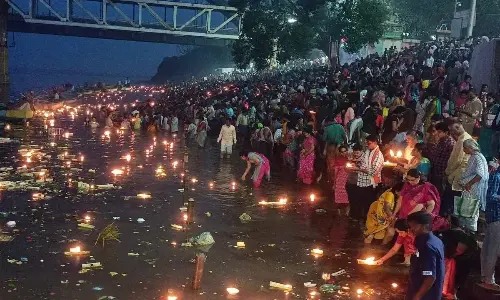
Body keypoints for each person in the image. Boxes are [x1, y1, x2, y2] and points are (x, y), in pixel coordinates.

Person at [406, 211, 445, 300]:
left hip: (426, 294)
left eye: (414, 226)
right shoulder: (435, 240)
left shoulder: (428, 247)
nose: (411, 229)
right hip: (419, 285)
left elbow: (430, 276)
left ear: (424, 226)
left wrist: (417, 296)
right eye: (410, 226)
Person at [347, 134, 384, 221]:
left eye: (369, 143)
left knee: (369, 204)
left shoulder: (378, 155)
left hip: (370, 183)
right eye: (366, 143)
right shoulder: (368, 151)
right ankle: (362, 219)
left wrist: (358, 169)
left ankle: (368, 222)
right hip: (362, 182)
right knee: (361, 201)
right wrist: (355, 165)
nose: (367, 145)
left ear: (375, 143)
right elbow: (363, 163)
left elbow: (373, 172)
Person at [458, 138, 488, 232]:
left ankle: (469, 232)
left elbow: (480, 174)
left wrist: (469, 184)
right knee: (468, 210)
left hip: (472, 189)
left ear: (471, 148)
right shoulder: (477, 156)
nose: (464, 150)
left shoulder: (477, 157)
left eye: (465, 148)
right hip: (471, 188)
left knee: (470, 211)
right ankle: (465, 230)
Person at [479, 160, 500, 291]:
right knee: (493, 248)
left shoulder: (495, 175)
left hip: (493, 216)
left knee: (487, 247)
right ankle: (488, 279)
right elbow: (490, 196)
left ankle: (484, 276)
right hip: (496, 216)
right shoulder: (496, 176)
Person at [443, 121, 471, 217]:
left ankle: (446, 223)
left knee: (449, 202)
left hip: (457, 175)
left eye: (452, 130)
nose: (451, 132)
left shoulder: (462, 140)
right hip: (460, 174)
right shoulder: (465, 137)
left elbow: (457, 160)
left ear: (458, 127)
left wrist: (448, 172)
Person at [429, 122, 455, 198]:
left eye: (439, 132)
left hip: (442, 174)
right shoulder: (441, 141)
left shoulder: (450, 143)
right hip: (435, 171)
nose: (437, 133)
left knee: (438, 194)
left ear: (446, 132)